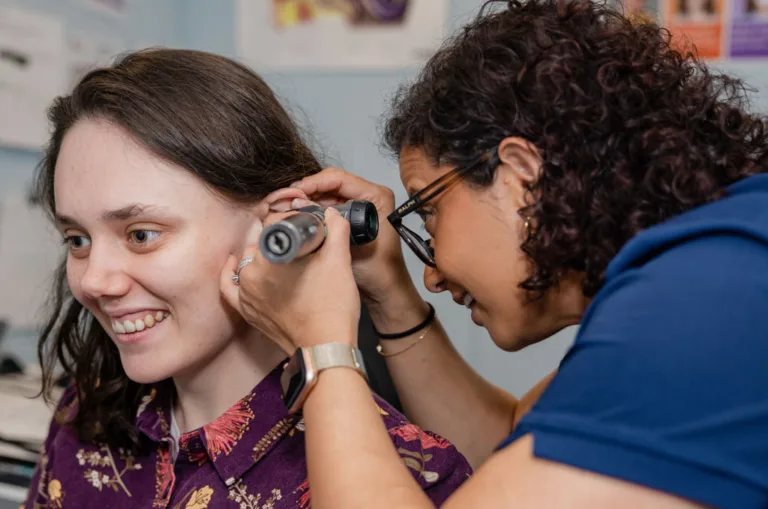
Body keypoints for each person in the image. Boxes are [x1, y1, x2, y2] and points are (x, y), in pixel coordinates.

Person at [224, 0, 768, 508]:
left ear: (520, 177)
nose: (432, 272)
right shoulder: (716, 257)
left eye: (429, 211)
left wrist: (322, 346)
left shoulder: (702, 305)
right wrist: (390, 290)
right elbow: (515, 452)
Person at [22, 48, 471, 509]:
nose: (94, 281)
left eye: (141, 235)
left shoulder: (414, 477)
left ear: (278, 222)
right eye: (77, 240)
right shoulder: (88, 412)